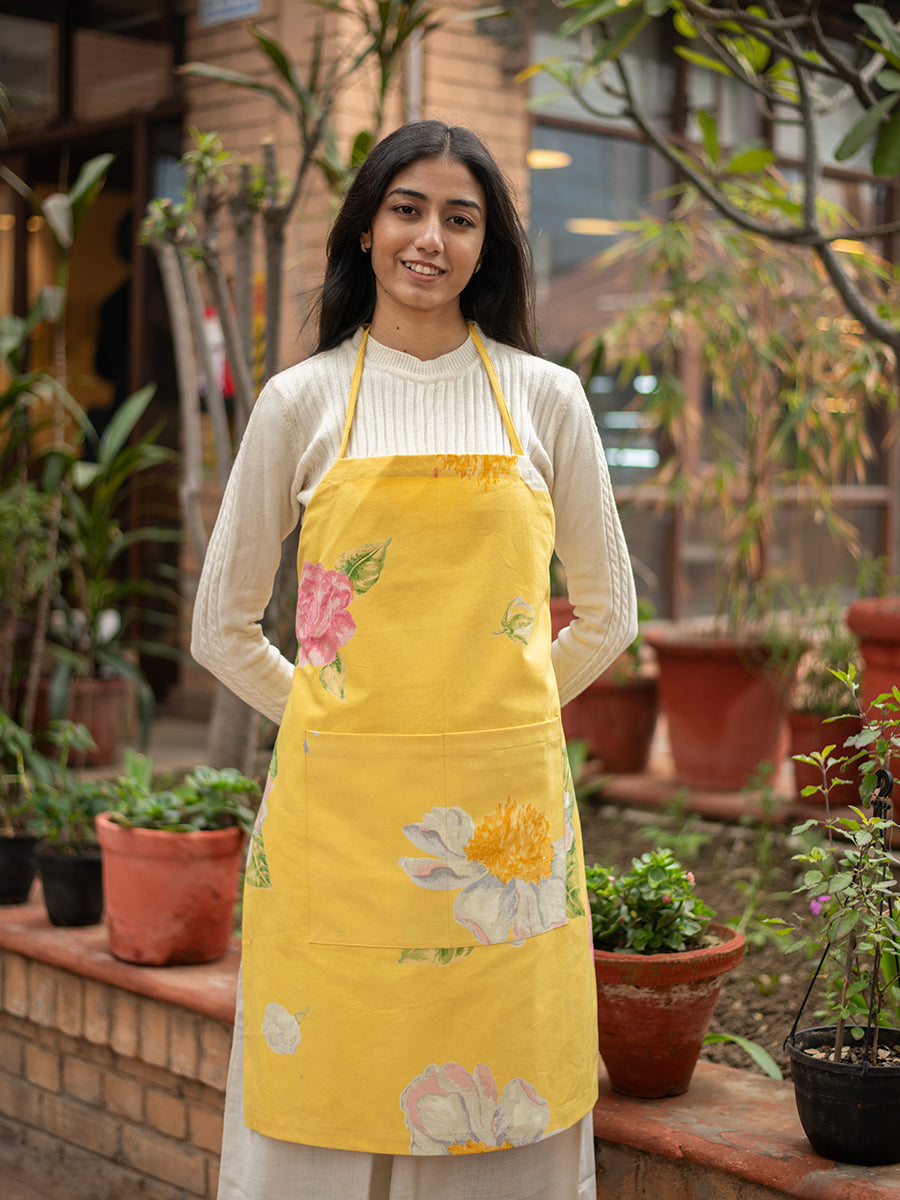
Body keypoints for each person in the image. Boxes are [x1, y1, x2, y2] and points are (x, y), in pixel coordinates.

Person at [192, 119, 637, 1200]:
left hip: (502, 835)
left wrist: (506, 713)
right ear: (365, 229)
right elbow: (222, 625)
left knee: (501, 1067)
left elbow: (609, 614)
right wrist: (331, 716)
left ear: (488, 248)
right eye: (407, 210)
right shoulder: (299, 400)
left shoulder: (546, 396)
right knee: (330, 1066)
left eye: (459, 218)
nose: (429, 238)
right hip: (338, 810)